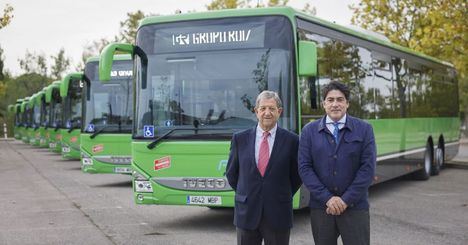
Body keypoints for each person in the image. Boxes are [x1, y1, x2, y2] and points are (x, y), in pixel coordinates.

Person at [298, 81, 376, 245]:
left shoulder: (365, 129)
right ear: (323, 104)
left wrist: (345, 200)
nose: (335, 104)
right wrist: (328, 199)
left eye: (340, 100)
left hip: (355, 208)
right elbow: (305, 168)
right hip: (322, 209)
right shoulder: (308, 132)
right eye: (330, 99)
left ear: (347, 104)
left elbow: (367, 169)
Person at [226, 90, 302, 245]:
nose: (267, 113)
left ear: (279, 112)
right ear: (256, 111)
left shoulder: (292, 141)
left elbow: (297, 176)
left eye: (272, 109)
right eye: (263, 108)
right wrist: (248, 191)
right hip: (246, 212)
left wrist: (279, 193)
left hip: (278, 213)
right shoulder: (240, 139)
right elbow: (232, 173)